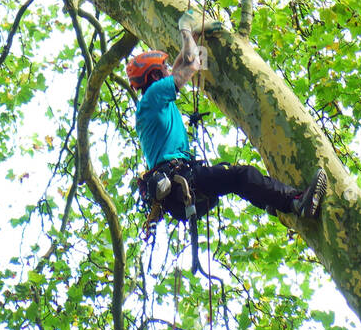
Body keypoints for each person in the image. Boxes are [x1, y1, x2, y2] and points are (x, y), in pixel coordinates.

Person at [127, 23, 327, 224]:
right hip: (182, 180)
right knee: (241, 175)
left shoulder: (151, 104)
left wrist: (192, 37)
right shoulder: (154, 95)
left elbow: (179, 66)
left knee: (228, 175)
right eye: (164, 68)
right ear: (155, 75)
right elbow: (190, 66)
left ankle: (270, 200)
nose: (169, 70)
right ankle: (296, 202)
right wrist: (186, 32)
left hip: (178, 193)